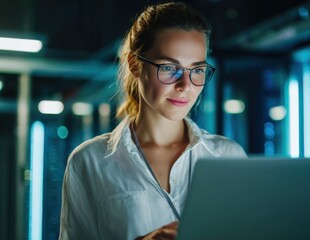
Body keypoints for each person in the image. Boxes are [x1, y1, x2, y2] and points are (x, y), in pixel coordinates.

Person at [59, 2, 247, 240]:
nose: (185, 86)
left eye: (197, 70)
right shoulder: (89, 160)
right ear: (135, 65)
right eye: (170, 68)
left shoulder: (228, 156)